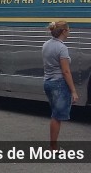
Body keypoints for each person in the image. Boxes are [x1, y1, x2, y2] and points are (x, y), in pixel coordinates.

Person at [42, 20, 79, 150]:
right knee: (57, 117)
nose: (69, 32)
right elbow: (66, 71)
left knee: (55, 114)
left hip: (48, 82)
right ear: (63, 31)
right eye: (68, 30)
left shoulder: (46, 44)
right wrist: (73, 91)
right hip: (58, 84)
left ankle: (53, 145)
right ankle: (53, 147)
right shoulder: (62, 48)